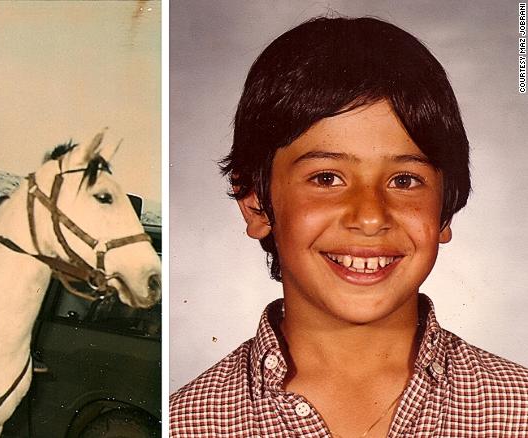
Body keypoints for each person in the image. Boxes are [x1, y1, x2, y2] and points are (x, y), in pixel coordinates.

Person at [170, 16, 528, 437]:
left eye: (404, 181)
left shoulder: (517, 410)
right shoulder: (187, 423)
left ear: (445, 211)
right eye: (326, 179)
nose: (371, 216)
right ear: (254, 204)